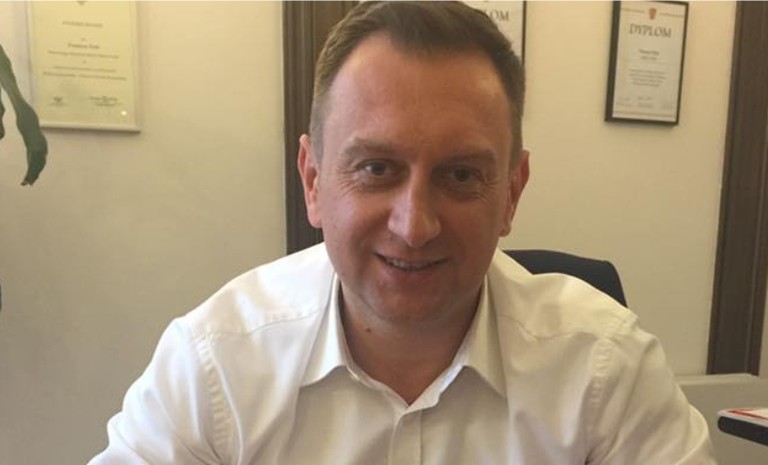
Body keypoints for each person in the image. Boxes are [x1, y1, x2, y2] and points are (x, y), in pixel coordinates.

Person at [89, 2, 716, 464]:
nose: (414, 226)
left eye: (461, 174)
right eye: (376, 169)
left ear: (512, 193)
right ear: (313, 180)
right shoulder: (215, 366)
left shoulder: (606, 369)